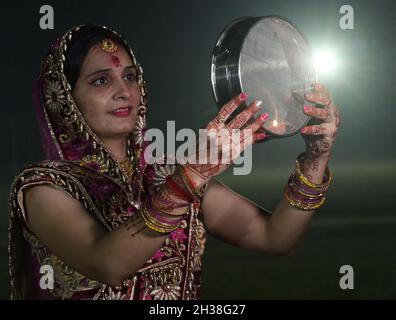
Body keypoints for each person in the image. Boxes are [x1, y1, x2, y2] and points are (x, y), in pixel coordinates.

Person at [8, 25, 340, 300]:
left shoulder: (164, 173)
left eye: (130, 76)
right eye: (101, 80)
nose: (124, 91)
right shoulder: (44, 188)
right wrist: (192, 176)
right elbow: (108, 263)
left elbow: (277, 238)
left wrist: (316, 155)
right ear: (65, 98)